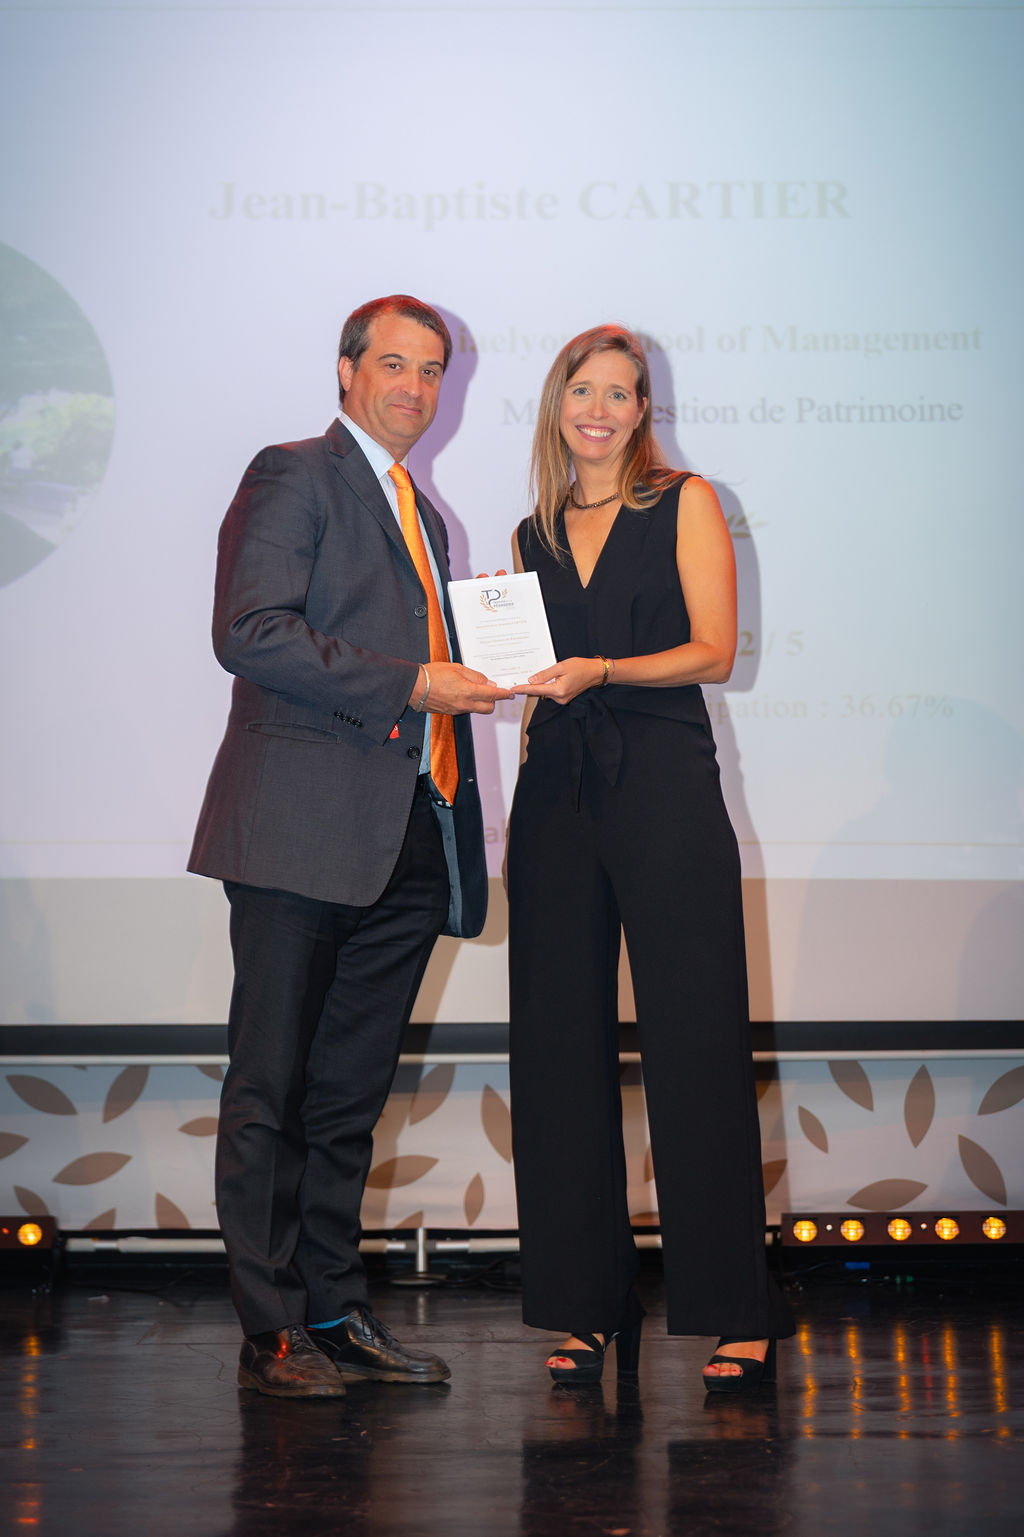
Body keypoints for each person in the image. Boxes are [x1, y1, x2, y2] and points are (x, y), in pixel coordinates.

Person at [189, 295, 512, 1397]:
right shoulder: (293, 473)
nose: (415, 388)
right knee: (271, 1089)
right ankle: (271, 1326)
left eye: (431, 370)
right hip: (298, 832)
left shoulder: (428, 516)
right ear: (345, 370)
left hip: (409, 839)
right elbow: (250, 631)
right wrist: (415, 681)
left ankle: (332, 1306)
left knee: (345, 1101)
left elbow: (428, 661)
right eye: (393, 365)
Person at [505, 324, 794, 1393]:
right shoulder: (531, 531)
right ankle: (586, 1309)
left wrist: (600, 668)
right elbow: (534, 673)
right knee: (555, 1051)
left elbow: (713, 651)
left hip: (665, 788)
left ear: (642, 411)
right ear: (558, 403)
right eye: (582, 390)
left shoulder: (685, 500)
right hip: (554, 796)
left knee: (695, 1043)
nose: (600, 409)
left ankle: (735, 1312)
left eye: (620, 393)